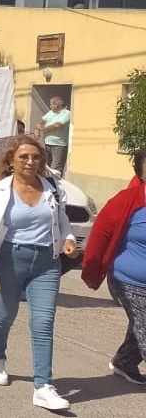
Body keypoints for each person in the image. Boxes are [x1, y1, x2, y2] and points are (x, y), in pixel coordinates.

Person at [0, 134, 76, 410]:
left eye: (35, 157)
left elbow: (62, 222)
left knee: (43, 324)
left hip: (47, 262)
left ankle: (43, 386)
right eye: (23, 157)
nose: (30, 162)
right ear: (11, 161)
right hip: (10, 258)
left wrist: (68, 239)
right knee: (5, 314)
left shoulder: (52, 188)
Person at [82, 149, 146, 385]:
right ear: (141, 172)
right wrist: (92, 270)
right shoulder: (127, 201)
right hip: (129, 280)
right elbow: (100, 235)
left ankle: (125, 362)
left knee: (140, 322)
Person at [34, 97, 71, 176]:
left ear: (56, 105)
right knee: (46, 166)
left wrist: (43, 128)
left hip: (59, 145)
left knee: (55, 168)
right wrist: (37, 129)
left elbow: (57, 125)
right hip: (47, 144)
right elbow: (41, 120)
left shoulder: (67, 113)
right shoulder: (51, 112)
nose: (50, 106)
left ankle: (55, 186)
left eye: (51, 104)